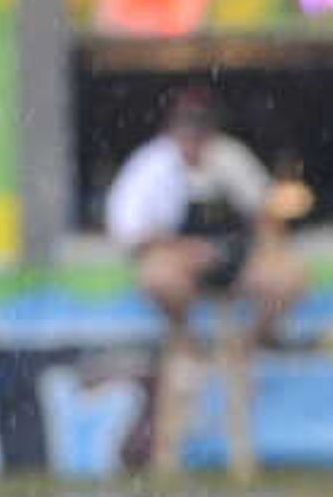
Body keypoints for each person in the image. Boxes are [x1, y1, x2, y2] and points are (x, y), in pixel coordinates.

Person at [102, 85, 310, 352]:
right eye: (187, 128)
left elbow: (266, 215)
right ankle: (185, 340)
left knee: (290, 277)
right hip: (179, 260)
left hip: (234, 257)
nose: (194, 139)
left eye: (200, 128)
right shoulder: (150, 166)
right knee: (157, 278)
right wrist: (185, 250)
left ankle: (253, 341)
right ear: (171, 127)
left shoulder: (231, 157)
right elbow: (129, 232)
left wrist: (265, 247)